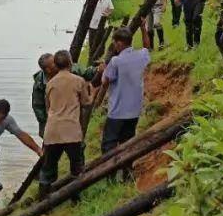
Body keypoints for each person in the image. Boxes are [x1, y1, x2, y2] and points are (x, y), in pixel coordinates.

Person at [39, 50, 94, 198]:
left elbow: (48, 108)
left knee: (48, 168)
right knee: (76, 166)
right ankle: (76, 199)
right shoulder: (78, 81)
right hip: (71, 131)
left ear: (56, 65)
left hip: (52, 131)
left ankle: (43, 200)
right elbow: (86, 102)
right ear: (70, 62)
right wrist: (92, 93)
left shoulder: (50, 84)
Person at [100, 27, 151, 156]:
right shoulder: (141, 56)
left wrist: (103, 70)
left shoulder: (116, 61)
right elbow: (147, 46)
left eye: (114, 43)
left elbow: (105, 81)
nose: (114, 46)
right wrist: (143, 29)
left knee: (109, 145)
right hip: (134, 111)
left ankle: (110, 168)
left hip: (117, 112)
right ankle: (127, 167)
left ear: (119, 43)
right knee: (128, 144)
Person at [32, 52, 97, 137]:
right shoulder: (40, 84)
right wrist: (48, 123)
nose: (57, 62)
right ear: (48, 70)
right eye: (54, 63)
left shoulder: (68, 69)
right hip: (52, 118)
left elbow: (86, 72)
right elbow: (38, 107)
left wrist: (97, 70)